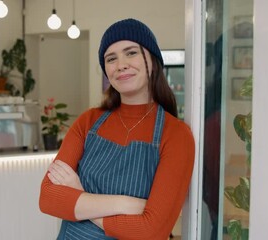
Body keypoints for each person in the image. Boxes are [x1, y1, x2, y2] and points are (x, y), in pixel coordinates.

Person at [39, 18, 195, 240]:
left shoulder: (176, 134)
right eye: (111, 58)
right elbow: (48, 198)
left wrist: (81, 196)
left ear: (152, 59)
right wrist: (128, 204)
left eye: (131, 53)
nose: (120, 64)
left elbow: (152, 231)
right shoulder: (88, 121)